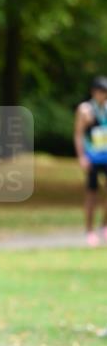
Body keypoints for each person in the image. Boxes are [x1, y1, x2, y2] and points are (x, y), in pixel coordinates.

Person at [74, 75, 107, 246]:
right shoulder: (85, 110)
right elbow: (78, 135)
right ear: (94, 92)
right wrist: (82, 157)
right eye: (102, 91)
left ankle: (104, 227)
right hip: (93, 157)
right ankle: (89, 231)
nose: (104, 95)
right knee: (91, 195)